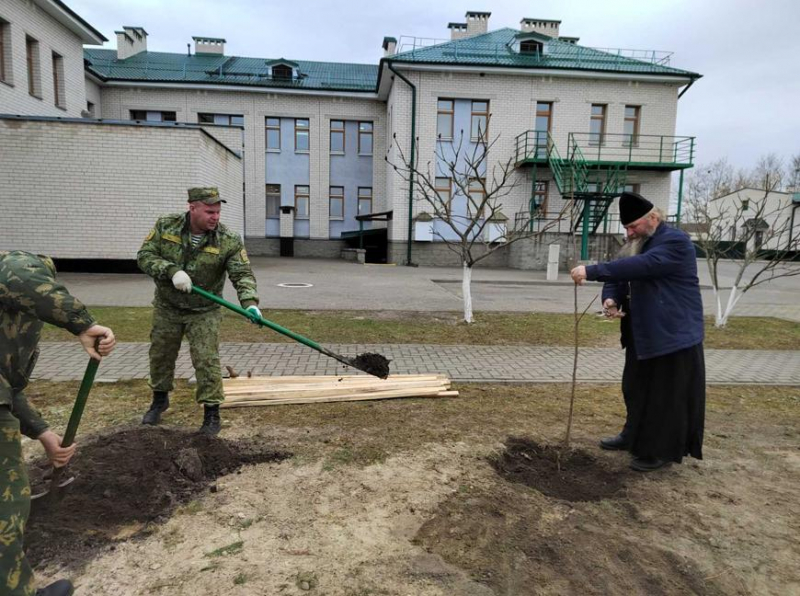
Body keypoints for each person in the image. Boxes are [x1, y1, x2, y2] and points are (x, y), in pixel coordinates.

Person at [0, 251, 116, 596]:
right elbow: (17, 272)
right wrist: (83, 323)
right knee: (7, 503)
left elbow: (8, 388)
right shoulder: (18, 262)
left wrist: (44, 435)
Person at [570, 191, 705, 472]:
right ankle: (632, 435)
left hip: (671, 334)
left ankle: (660, 452)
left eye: (633, 227)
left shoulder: (675, 242)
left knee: (664, 395)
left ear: (653, 218)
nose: (629, 233)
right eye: (626, 228)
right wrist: (611, 299)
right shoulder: (638, 242)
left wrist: (591, 270)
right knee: (635, 388)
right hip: (641, 332)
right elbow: (621, 273)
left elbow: (644, 266)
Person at [137, 187, 260, 435]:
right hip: (167, 306)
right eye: (209, 212)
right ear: (192, 207)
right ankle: (160, 400)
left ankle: (212, 413)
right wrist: (171, 271)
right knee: (161, 355)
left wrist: (250, 303)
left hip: (205, 309)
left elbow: (242, 274)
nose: (215, 217)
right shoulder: (166, 226)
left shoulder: (228, 239)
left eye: (218, 212)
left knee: (206, 360)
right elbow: (144, 256)